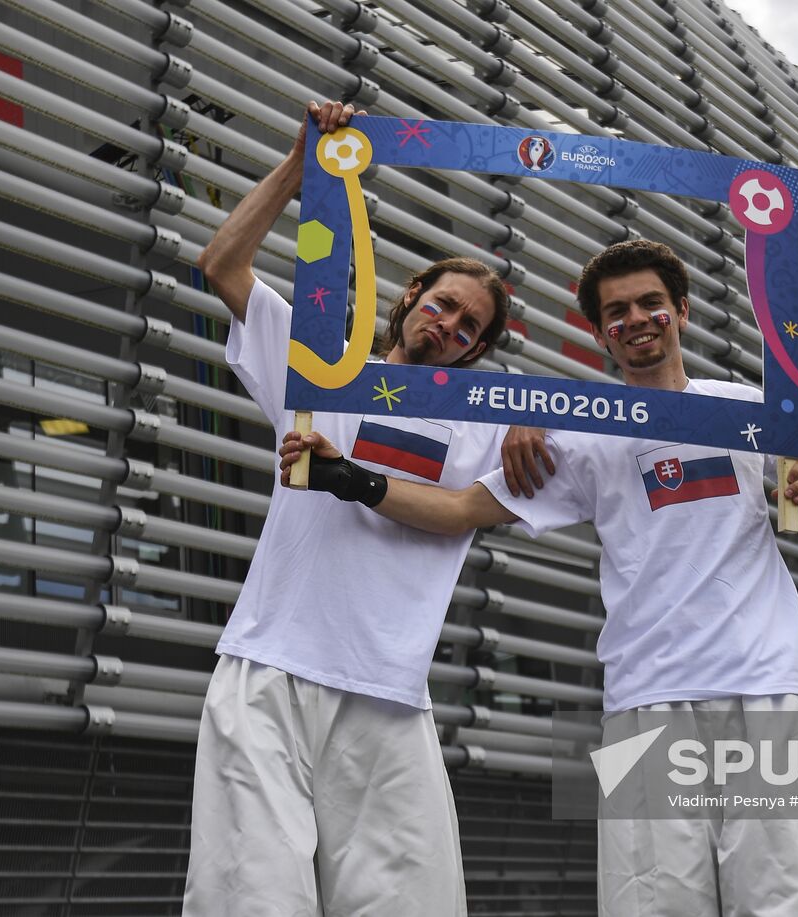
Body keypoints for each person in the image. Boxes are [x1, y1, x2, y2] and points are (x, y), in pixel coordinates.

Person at [280, 239, 798, 916]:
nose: (637, 319)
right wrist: (349, 477)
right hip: (643, 702)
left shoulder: (748, 409)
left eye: (652, 302)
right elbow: (456, 510)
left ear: (680, 311)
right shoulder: (584, 435)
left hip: (766, 688)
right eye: (616, 311)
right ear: (599, 333)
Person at [182, 100, 548, 916]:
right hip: (267, 670)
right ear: (412, 294)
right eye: (444, 304)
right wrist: (301, 160)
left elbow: (459, 512)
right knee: (247, 901)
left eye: (470, 328)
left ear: (479, 351)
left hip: (387, 693)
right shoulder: (318, 363)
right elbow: (223, 264)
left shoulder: (480, 418)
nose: (449, 325)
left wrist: (533, 406)